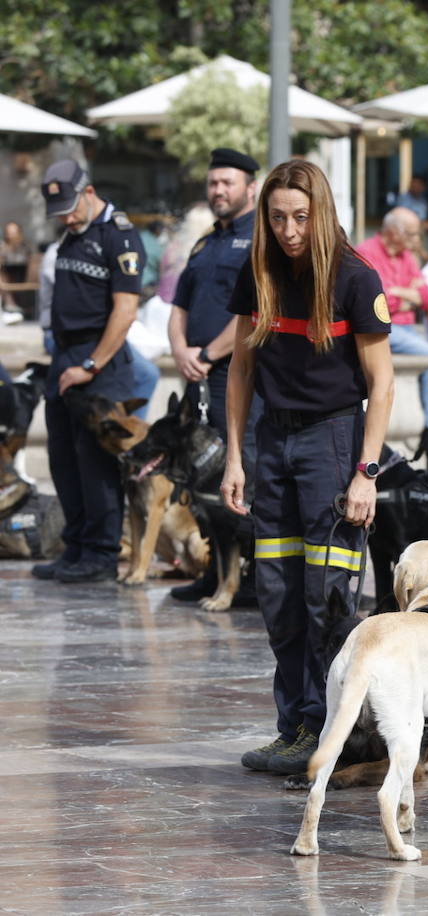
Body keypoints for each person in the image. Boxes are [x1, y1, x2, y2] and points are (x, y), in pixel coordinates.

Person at [223, 160, 394, 776]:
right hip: (273, 444)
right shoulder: (259, 273)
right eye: (277, 218)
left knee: (328, 600)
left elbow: (382, 381)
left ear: (320, 213)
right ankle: (295, 727)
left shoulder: (354, 275)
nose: (290, 230)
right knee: (278, 595)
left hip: (334, 445)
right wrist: (236, 457)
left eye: (300, 217)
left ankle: (338, 734)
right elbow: (240, 371)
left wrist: (365, 473)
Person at [32, 160, 145, 584]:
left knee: (94, 460)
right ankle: (76, 545)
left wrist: (90, 365)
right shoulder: (71, 236)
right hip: (65, 356)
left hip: (101, 360)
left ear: (89, 190)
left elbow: (126, 310)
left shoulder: (119, 235)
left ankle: (101, 552)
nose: (65, 215)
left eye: (69, 205)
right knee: (62, 456)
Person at [167, 147, 262, 605]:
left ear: (250, 187)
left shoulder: (260, 238)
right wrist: (180, 350)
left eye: (228, 182)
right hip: (197, 375)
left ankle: (247, 576)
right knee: (198, 480)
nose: (218, 190)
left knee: (235, 473)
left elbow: (255, 313)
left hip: (233, 375)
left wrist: (206, 353)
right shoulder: (205, 242)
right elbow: (178, 305)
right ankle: (213, 570)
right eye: (213, 183)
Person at [356, 207, 428, 454]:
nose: (417, 240)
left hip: (407, 329)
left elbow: (426, 297)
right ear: (394, 232)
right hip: (384, 329)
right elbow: (376, 303)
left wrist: (398, 293)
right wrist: (406, 295)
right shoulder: (367, 253)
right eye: (413, 234)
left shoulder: (406, 256)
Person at [1, 220, 35, 321]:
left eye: (13, 233)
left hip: (25, 277)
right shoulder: (3, 247)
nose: (11, 236)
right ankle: (10, 305)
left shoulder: (27, 247)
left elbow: (32, 260)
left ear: (19, 233)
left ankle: (25, 306)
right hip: (7, 278)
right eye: (9, 233)